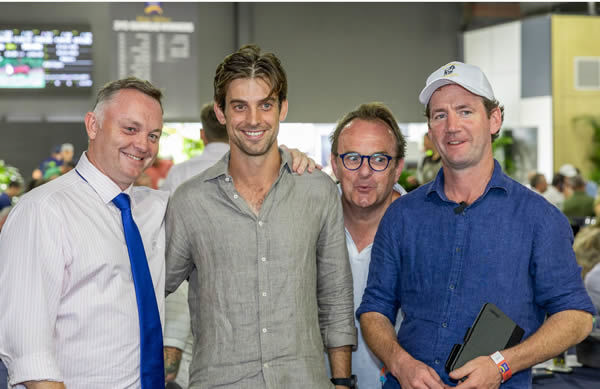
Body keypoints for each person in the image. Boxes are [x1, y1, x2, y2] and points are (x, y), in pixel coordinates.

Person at [357, 61, 595, 389]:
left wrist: (502, 365)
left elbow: (577, 318)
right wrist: (399, 362)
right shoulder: (402, 215)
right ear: (430, 130)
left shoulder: (540, 219)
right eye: (440, 115)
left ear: (494, 119)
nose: (452, 126)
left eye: (465, 111)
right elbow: (374, 308)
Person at [164, 45, 356, 389]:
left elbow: (336, 296)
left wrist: (342, 382)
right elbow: (151, 287)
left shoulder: (317, 191)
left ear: (282, 108)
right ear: (221, 113)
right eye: (240, 106)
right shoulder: (190, 201)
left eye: (265, 104)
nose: (254, 120)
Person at [0, 77, 169, 388]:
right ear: (93, 126)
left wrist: (284, 160)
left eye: (153, 135)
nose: (143, 145)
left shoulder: (156, 209)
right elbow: (29, 353)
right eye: (130, 129)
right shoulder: (44, 211)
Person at [328, 102, 406, 388]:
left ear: (397, 168)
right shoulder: (309, 223)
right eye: (352, 158)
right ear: (334, 163)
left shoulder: (425, 230)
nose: (364, 172)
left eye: (378, 160)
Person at [161, 102, 229, 389]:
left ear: (203, 134)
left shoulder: (179, 174)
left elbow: (167, 233)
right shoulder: (252, 172)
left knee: (187, 364)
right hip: (233, 289)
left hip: (185, 283)